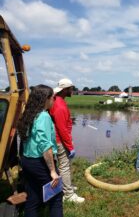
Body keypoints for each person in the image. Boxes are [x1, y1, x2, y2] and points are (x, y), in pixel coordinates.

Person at [18, 85, 63, 217]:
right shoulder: (44, 116)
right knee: (56, 196)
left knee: (33, 196)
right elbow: (45, 146)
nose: (54, 100)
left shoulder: (29, 114)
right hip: (39, 162)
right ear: (45, 99)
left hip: (27, 161)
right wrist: (53, 171)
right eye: (52, 97)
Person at [49, 78, 85, 203]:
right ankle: (68, 195)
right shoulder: (59, 105)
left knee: (64, 166)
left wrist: (69, 120)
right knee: (64, 167)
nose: (73, 90)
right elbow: (61, 129)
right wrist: (70, 146)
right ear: (65, 90)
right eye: (71, 88)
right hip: (60, 141)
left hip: (60, 139)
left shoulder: (58, 101)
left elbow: (61, 123)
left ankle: (66, 186)